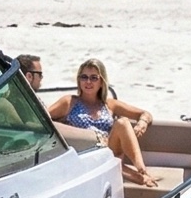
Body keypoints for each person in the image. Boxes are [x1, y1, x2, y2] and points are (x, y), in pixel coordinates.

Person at [46, 58, 157, 186]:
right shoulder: (69, 102)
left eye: (94, 78)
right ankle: (138, 175)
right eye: (84, 77)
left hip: (109, 151)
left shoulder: (109, 104)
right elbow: (43, 118)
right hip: (85, 154)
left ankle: (141, 169)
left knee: (123, 122)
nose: (88, 82)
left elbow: (145, 114)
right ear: (79, 80)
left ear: (101, 82)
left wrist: (142, 122)